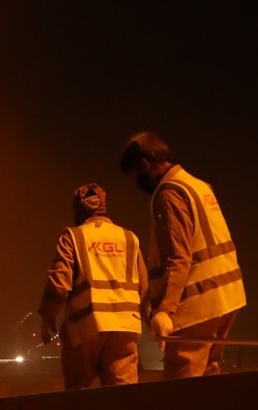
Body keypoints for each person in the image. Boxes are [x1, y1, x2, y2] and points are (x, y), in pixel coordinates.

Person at [119, 132, 246, 378]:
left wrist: (166, 310)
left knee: (182, 385)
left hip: (198, 304)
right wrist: (153, 300)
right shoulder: (198, 185)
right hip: (227, 297)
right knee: (209, 375)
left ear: (145, 165)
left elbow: (179, 257)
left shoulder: (169, 194)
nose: (137, 182)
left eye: (135, 174)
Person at [38, 182, 146, 390]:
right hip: (124, 328)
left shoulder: (73, 236)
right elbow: (142, 285)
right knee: (124, 398)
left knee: (80, 400)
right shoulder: (129, 238)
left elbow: (59, 284)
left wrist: (47, 316)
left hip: (84, 328)